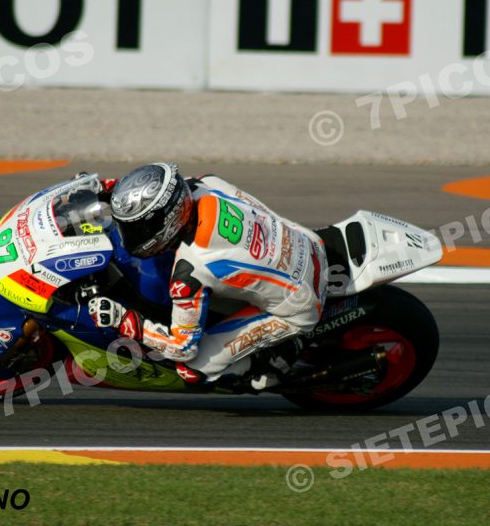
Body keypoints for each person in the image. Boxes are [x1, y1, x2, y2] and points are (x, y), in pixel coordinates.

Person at [87, 163, 327, 389]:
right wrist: (111, 190)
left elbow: (182, 348)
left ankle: (278, 359)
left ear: (169, 222)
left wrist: (128, 322)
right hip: (308, 242)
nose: (130, 233)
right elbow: (158, 192)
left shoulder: (190, 270)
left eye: (138, 228)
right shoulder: (205, 185)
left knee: (192, 369)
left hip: (301, 303)